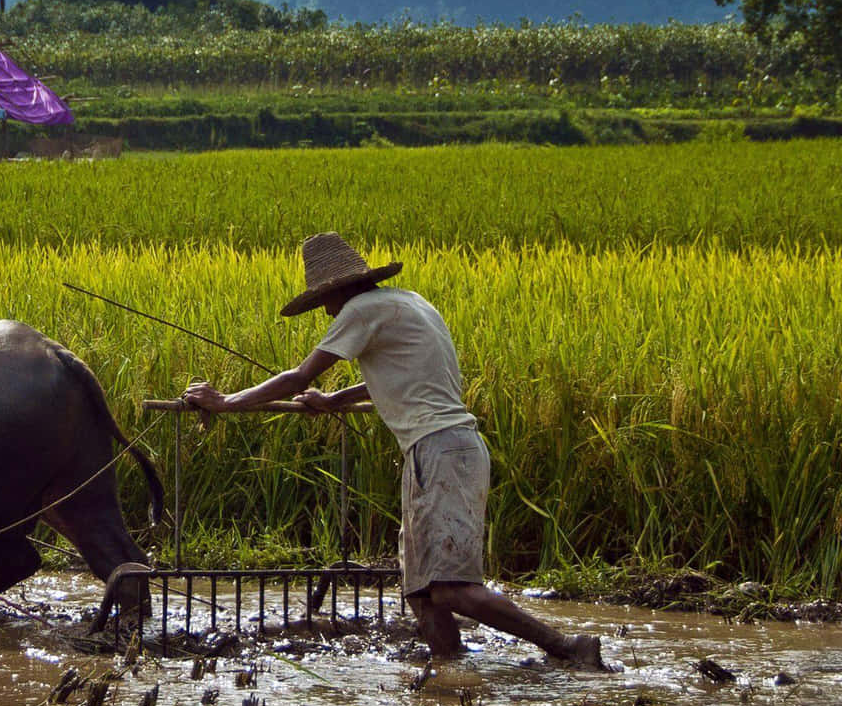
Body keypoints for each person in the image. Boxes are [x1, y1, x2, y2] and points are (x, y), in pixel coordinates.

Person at [182, 232, 606, 670]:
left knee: (452, 588)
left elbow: (299, 377)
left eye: (325, 299)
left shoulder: (360, 310)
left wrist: (226, 402)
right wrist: (334, 402)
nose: (326, 310)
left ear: (339, 289)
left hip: (442, 452)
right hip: (438, 452)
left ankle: (566, 646)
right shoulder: (409, 303)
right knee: (421, 591)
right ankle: (450, 674)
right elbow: (396, 375)